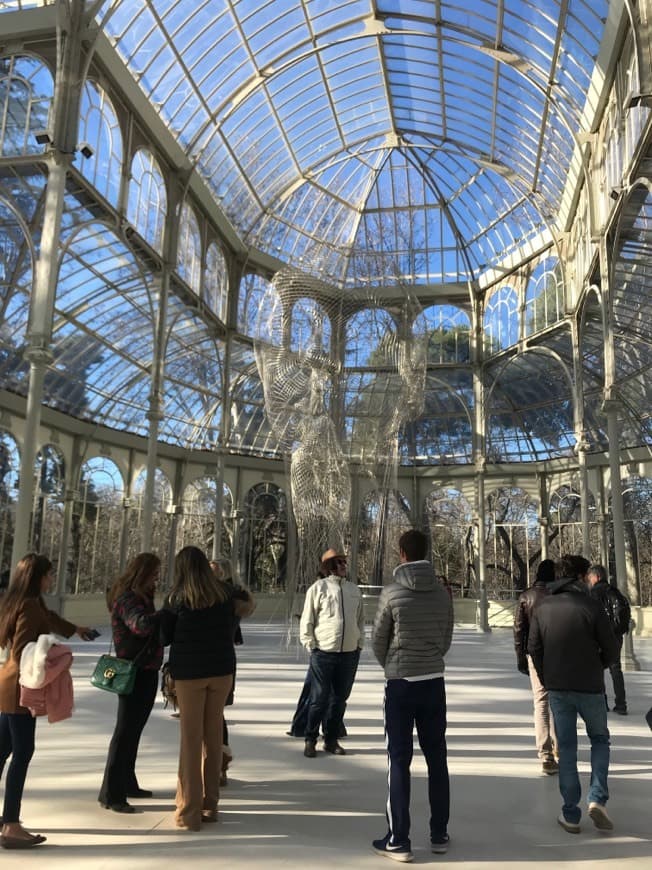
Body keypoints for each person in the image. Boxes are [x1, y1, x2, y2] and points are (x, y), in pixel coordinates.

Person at [371, 529, 454, 862]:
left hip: (401, 683)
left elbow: (379, 639)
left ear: (401, 553)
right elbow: (446, 638)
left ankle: (399, 839)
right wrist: (430, 658)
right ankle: (439, 834)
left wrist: (393, 665)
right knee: (437, 758)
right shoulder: (442, 594)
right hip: (434, 682)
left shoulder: (391, 593)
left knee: (399, 759)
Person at [0, 554, 94, 849]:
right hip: (19, 688)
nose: (51, 579)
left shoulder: (19, 601)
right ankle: (11, 825)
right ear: (37, 577)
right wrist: (46, 654)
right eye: (49, 575)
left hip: (6, 684)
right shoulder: (29, 604)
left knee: (2, 751)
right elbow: (23, 649)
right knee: (22, 752)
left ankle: (7, 821)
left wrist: (75, 629)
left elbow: (49, 618)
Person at [161, 546, 254, 830]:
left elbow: (164, 636)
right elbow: (247, 604)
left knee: (191, 739)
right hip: (222, 670)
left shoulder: (177, 598)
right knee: (213, 736)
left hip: (190, 673)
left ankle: (188, 810)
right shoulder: (225, 596)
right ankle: (210, 805)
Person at [528, 555, 620, 834]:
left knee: (566, 749)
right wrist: (597, 665)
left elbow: (533, 647)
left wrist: (547, 676)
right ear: (582, 577)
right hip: (591, 686)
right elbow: (612, 649)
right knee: (600, 740)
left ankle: (570, 813)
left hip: (558, 688)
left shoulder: (543, 607)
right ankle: (597, 798)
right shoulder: (592, 606)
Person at [98, 552, 163, 813]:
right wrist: (166, 614)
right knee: (124, 731)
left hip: (146, 669)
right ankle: (111, 793)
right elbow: (140, 626)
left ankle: (127, 781)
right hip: (133, 670)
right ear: (143, 573)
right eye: (154, 572)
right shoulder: (127, 599)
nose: (158, 577)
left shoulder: (142, 597)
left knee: (134, 729)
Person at [299, 547, 364, 758]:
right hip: (324, 652)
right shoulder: (318, 589)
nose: (344, 566)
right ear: (329, 566)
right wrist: (311, 644)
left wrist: (359, 643)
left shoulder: (354, 590)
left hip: (349, 653)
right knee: (318, 699)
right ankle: (310, 739)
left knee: (339, 699)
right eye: (339, 563)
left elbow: (360, 620)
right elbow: (307, 619)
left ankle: (331, 739)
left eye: (345, 562)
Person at [209, 557, 255, 785]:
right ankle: (217, 764)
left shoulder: (228, 596)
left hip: (218, 658)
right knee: (217, 714)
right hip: (222, 656)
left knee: (216, 714)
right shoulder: (235, 595)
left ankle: (219, 764)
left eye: (214, 571)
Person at [513, 558, 558, 774]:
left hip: (535, 653)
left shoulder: (526, 596)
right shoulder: (559, 595)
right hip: (558, 652)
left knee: (540, 701)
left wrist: (521, 657)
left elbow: (519, 630)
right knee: (558, 699)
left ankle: (546, 754)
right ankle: (560, 747)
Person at [585, 564, 631, 715]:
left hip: (600, 636)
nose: (589, 580)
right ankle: (621, 704)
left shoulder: (594, 593)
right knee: (616, 669)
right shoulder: (615, 591)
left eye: (590, 577)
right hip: (616, 636)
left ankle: (602, 703)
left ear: (597, 577)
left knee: (598, 669)